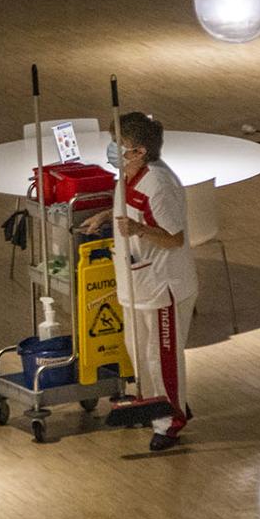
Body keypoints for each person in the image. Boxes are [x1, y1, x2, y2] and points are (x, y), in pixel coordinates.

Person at [81, 111, 196, 451]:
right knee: (137, 350)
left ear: (139, 151)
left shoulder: (158, 186)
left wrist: (141, 230)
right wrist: (106, 215)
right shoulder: (127, 176)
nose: (113, 148)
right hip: (135, 284)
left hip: (163, 286)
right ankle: (150, 404)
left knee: (160, 358)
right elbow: (130, 212)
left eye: (121, 144)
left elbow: (174, 237)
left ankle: (171, 420)